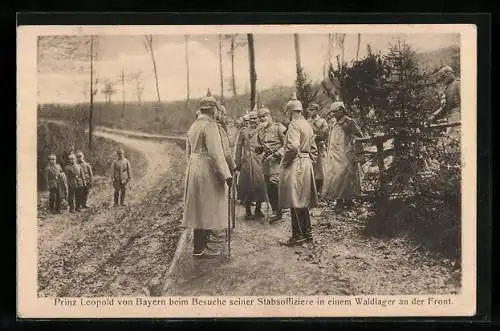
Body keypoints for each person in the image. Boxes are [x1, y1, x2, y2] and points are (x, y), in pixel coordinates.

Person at [182, 92, 232, 258]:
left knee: (198, 206)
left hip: (193, 166)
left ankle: (199, 246)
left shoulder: (194, 125)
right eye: (216, 110)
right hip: (206, 168)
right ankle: (201, 248)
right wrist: (226, 175)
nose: (217, 113)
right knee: (207, 206)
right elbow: (216, 153)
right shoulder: (209, 126)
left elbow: (189, 150)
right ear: (212, 110)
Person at [279, 97, 318, 246]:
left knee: (295, 200)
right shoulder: (307, 124)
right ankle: (307, 234)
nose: (287, 114)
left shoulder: (294, 125)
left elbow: (293, 147)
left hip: (296, 163)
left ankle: (298, 235)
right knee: (303, 200)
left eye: (288, 112)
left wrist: (286, 161)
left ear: (291, 112)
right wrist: (309, 161)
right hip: (306, 162)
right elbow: (314, 148)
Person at [322, 101, 364, 209]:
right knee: (336, 178)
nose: (334, 114)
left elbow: (359, 136)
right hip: (335, 155)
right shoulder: (334, 123)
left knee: (348, 177)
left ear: (341, 110)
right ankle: (339, 200)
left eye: (336, 112)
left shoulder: (348, 122)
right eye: (332, 112)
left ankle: (348, 200)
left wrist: (356, 151)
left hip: (346, 154)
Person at [235, 110, 268, 220]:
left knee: (260, 186)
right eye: (251, 119)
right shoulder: (243, 132)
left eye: (255, 118)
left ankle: (258, 210)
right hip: (247, 162)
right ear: (248, 120)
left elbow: (266, 144)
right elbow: (239, 148)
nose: (253, 121)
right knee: (247, 186)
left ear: (258, 119)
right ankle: (248, 211)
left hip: (259, 162)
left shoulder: (262, 130)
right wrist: (238, 162)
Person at [255, 106, 286, 222]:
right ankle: (275, 210)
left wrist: (278, 153)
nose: (262, 119)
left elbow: (287, 144)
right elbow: (260, 146)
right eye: (260, 117)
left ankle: (279, 211)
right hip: (267, 163)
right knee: (269, 188)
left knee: (275, 185)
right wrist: (259, 149)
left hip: (278, 162)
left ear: (270, 116)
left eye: (264, 116)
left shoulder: (279, 128)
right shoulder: (260, 131)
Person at [429, 65, 461, 138]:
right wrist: (434, 115)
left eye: (444, 76)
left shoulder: (458, 84)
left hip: (458, 117)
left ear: (449, 73)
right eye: (442, 77)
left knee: (452, 140)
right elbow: (444, 107)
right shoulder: (447, 88)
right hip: (450, 119)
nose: (443, 79)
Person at [306, 103, 329, 196]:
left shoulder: (322, 121)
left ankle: (323, 192)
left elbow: (325, 134)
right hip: (310, 149)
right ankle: (314, 193)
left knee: (321, 170)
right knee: (312, 171)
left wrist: (315, 135)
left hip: (320, 147)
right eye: (310, 110)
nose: (311, 112)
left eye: (313, 110)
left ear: (317, 110)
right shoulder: (307, 122)